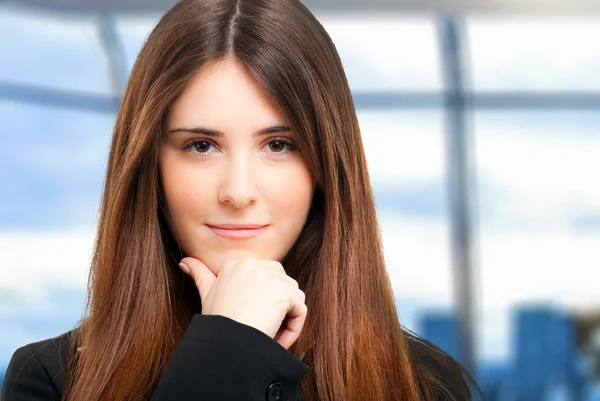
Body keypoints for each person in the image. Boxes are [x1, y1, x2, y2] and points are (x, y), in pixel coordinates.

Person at [1, 0, 484, 400]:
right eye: (201, 145)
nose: (237, 192)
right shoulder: (52, 379)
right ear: (151, 165)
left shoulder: (426, 384)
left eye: (278, 145)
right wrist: (227, 351)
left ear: (325, 168)